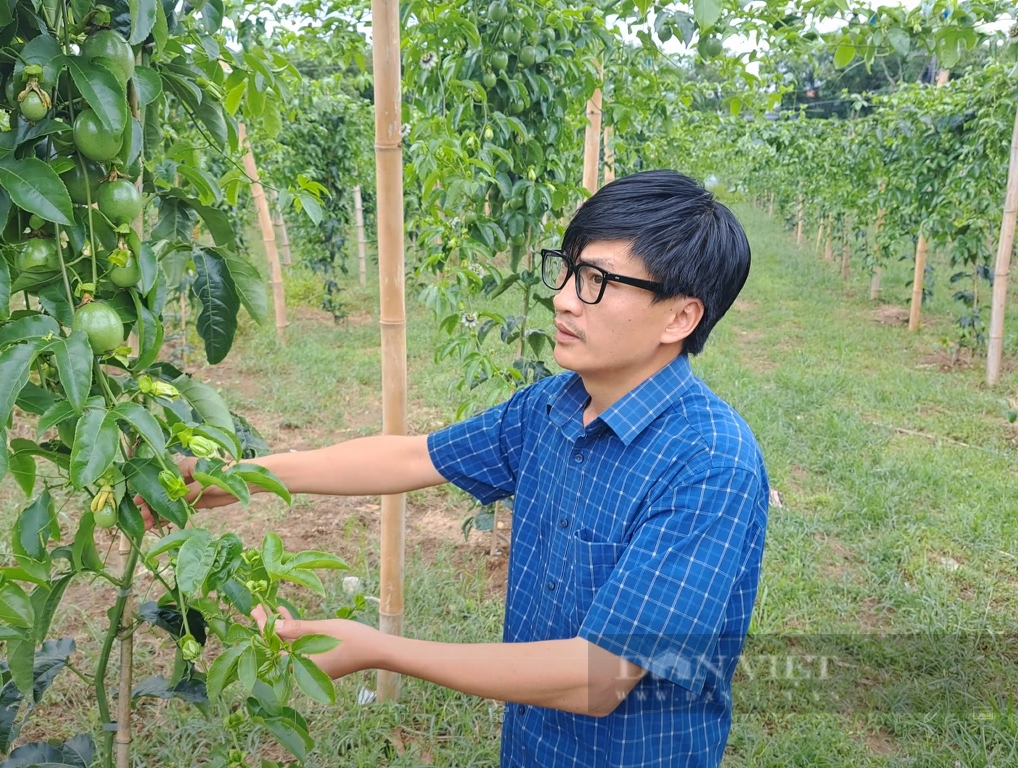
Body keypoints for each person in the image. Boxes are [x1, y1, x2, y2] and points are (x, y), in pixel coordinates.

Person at [150, 170, 768, 767]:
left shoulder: (709, 465)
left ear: (680, 317)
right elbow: (414, 455)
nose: (562, 299)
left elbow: (598, 678)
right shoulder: (552, 407)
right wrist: (241, 475)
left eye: (596, 281)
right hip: (532, 745)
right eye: (569, 270)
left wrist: (378, 650)